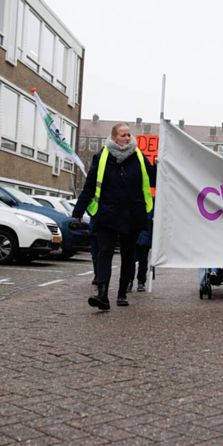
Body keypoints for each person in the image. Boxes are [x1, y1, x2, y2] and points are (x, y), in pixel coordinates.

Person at [73, 123, 155, 310]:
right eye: (123, 135)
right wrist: (79, 210)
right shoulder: (102, 157)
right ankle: (102, 295)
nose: (127, 138)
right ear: (114, 137)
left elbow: (153, 178)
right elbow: (90, 185)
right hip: (107, 213)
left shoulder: (139, 157)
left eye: (129, 135)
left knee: (128, 256)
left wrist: (160, 166)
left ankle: (122, 294)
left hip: (132, 214)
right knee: (105, 254)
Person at [128, 207, 153, 293]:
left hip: (144, 237)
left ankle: (140, 282)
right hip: (134, 236)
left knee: (143, 261)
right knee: (132, 261)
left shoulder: (151, 207)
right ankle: (130, 281)